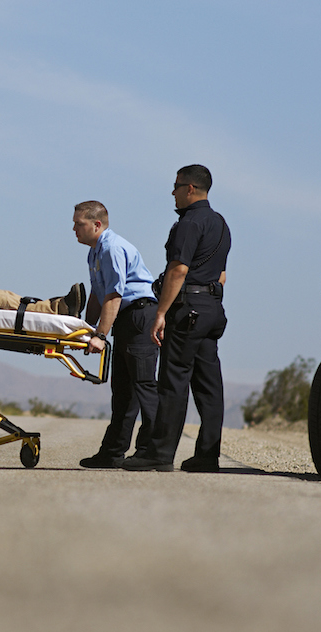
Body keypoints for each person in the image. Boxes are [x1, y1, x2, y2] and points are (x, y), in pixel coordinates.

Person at [121, 164, 231, 473]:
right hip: (212, 309)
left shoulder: (189, 222)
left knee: (173, 382)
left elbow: (178, 269)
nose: (173, 192)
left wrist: (161, 313)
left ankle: (159, 453)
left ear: (191, 189)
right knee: (210, 387)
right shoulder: (221, 224)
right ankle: (207, 456)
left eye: (177, 186)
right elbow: (221, 275)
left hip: (187, 311)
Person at [72, 201, 160, 469]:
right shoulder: (94, 253)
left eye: (79, 224)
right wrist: (85, 332)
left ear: (96, 225)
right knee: (122, 391)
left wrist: (100, 334)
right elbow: (98, 296)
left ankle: (153, 452)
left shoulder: (111, 248)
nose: (74, 229)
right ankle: (112, 452)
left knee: (144, 386)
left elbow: (114, 295)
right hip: (123, 318)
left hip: (139, 317)